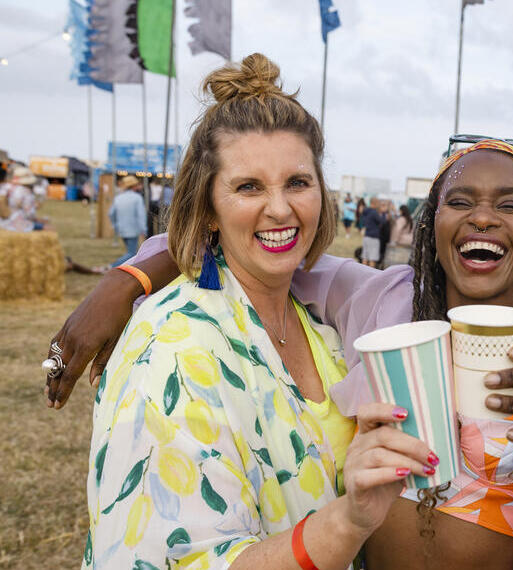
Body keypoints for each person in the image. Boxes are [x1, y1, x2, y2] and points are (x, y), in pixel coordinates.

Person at [46, 137, 513, 569]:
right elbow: (266, 240)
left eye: (509, 206)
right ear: (431, 224)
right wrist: (125, 280)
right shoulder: (376, 298)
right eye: (459, 201)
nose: (483, 218)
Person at [47, 54, 439, 569]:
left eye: (298, 182)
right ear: (207, 207)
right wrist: (349, 518)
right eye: (249, 187)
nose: (280, 209)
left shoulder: (318, 325)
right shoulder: (172, 352)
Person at [108, 175, 148, 267]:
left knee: (130, 252)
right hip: (133, 230)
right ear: (133, 186)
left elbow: (111, 213)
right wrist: (143, 230)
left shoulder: (118, 198)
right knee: (132, 254)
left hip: (121, 229)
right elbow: (141, 216)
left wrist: (115, 226)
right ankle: (112, 267)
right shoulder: (137, 198)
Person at [359, 197, 384, 267]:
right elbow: (381, 222)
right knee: (372, 258)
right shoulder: (374, 212)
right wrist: (382, 213)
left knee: (365, 257)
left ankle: (363, 274)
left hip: (366, 236)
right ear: (375, 203)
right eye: (378, 203)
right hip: (373, 237)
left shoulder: (365, 211)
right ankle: (371, 276)